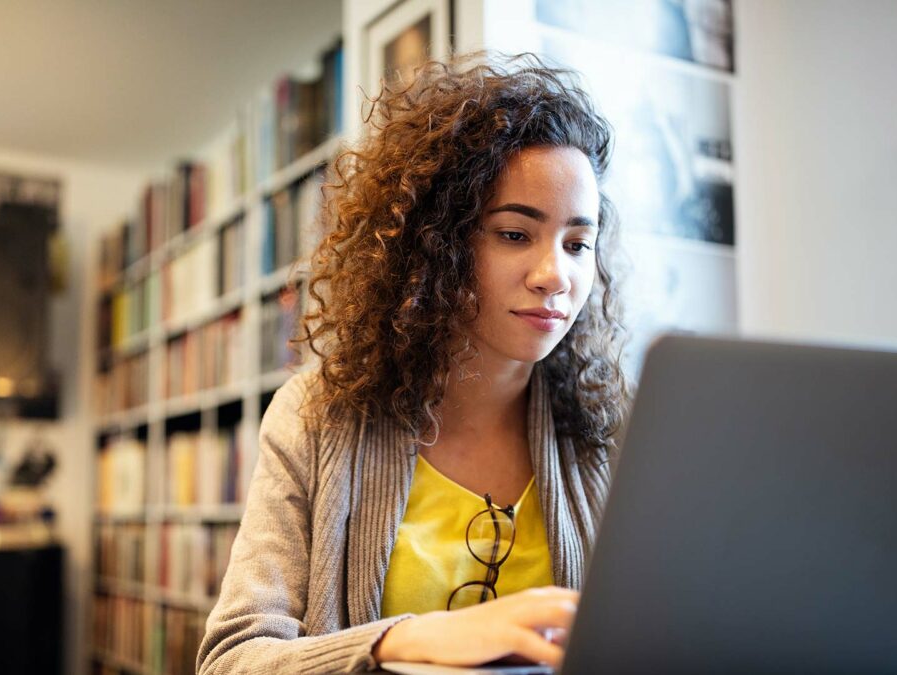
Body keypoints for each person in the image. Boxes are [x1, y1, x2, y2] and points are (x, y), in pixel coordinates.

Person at [196, 53, 631, 674]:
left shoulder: (613, 428)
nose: (555, 276)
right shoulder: (317, 415)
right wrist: (403, 641)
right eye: (514, 234)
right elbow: (232, 659)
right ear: (436, 243)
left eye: (577, 244)